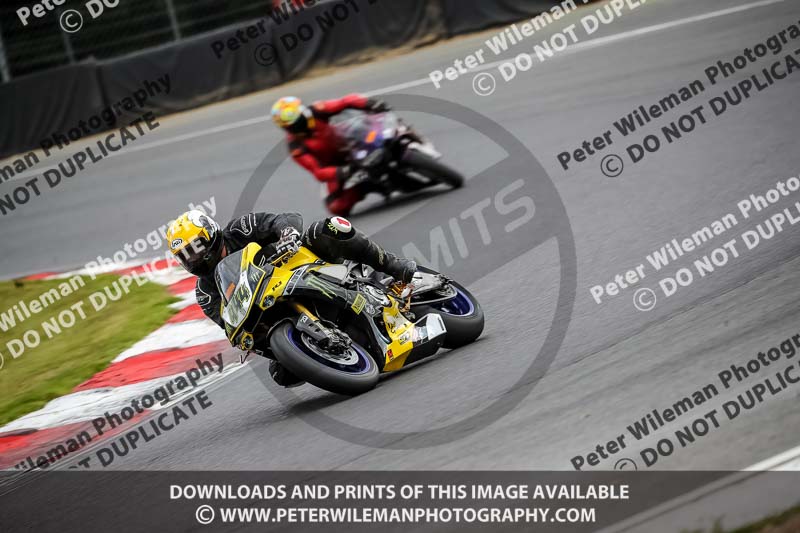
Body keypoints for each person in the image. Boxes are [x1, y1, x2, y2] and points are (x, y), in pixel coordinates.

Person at [165, 210, 416, 387]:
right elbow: (227, 322)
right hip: (268, 308)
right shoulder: (205, 293)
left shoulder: (240, 229)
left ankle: (394, 267)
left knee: (331, 227)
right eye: (185, 255)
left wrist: (287, 233)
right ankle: (330, 348)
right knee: (283, 374)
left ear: (211, 234)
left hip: (301, 266)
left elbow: (284, 219)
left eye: (196, 247)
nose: (194, 258)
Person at [271, 94, 391, 216]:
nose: (299, 125)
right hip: (338, 165)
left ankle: (398, 136)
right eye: (292, 126)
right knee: (336, 206)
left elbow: (345, 102)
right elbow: (318, 172)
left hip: (351, 142)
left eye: (300, 119)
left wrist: (368, 103)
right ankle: (365, 187)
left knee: (372, 125)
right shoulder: (295, 147)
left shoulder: (317, 110)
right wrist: (343, 171)